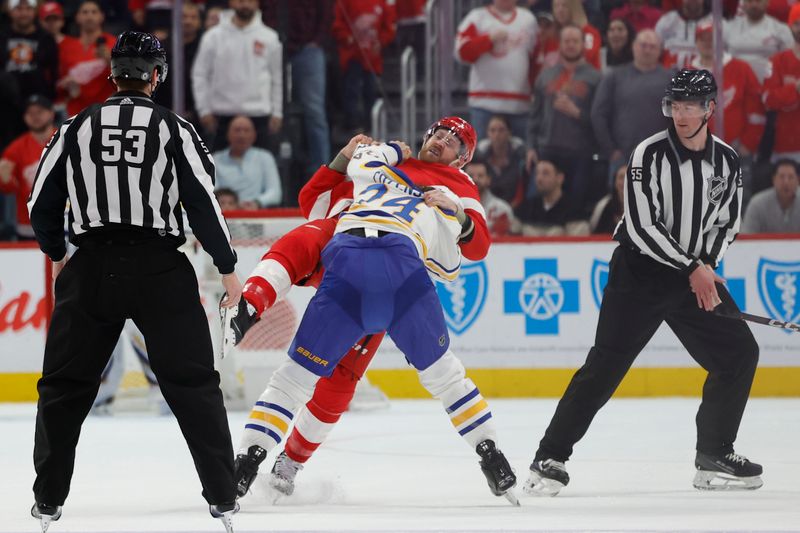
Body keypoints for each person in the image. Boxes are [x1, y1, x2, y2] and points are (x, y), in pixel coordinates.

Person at [228, 117, 520, 504]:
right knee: (305, 239)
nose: (441, 141)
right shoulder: (381, 163)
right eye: (438, 133)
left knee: (336, 384)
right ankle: (250, 303)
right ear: (424, 134)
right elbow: (311, 204)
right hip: (348, 252)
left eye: (454, 141)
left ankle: (286, 462)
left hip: (365, 270)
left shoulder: (458, 186)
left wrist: (460, 215)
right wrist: (344, 156)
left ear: (463, 159)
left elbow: (478, 245)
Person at [26, 31, 242, 532]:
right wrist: (228, 268)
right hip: (160, 268)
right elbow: (204, 206)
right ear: (157, 76)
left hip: (92, 265)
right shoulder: (177, 129)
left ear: (112, 73)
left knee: (64, 387)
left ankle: (48, 501)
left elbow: (41, 204)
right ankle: (222, 498)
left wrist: (58, 255)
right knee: (193, 385)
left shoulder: (75, 126)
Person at [525, 69, 761, 498]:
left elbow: (728, 222)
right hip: (640, 274)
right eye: (675, 106)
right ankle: (549, 456)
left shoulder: (727, 160)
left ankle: (714, 452)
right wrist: (693, 266)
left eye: (691, 106)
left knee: (739, 353)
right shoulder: (647, 153)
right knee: (605, 367)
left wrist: (705, 263)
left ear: (711, 108)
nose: (682, 115)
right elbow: (641, 224)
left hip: (694, 276)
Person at [529, 24, 602, 214]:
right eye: (566, 41)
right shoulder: (545, 76)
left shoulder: (596, 78)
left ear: (582, 45)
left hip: (580, 151)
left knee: (576, 203)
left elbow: (600, 120)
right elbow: (534, 115)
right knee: (541, 201)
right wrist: (530, 146)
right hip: (548, 148)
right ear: (560, 44)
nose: (571, 45)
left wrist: (577, 113)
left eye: (575, 41)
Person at [192, 0, 283, 152]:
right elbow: (200, 74)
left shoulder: (270, 37)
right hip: (220, 116)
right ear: (231, 2)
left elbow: (277, 77)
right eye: (240, 0)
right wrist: (204, 110)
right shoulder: (213, 36)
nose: (245, 5)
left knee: (261, 168)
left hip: (259, 115)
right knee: (215, 170)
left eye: (250, 1)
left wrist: (277, 112)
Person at [261, 0, 333, 178]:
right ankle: (271, 162)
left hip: (307, 47)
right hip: (273, 43)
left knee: (314, 110)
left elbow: (326, 11)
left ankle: (322, 168)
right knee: (268, 102)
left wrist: (317, 40)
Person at [591, 29, 673, 182]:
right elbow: (598, 114)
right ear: (633, 46)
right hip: (622, 159)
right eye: (643, 45)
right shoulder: (614, 76)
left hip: (661, 158)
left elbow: (680, 118)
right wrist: (611, 151)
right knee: (621, 204)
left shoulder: (671, 79)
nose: (647, 50)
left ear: (660, 51)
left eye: (652, 46)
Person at [455, 0, 538, 141]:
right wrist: (488, 39)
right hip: (484, 104)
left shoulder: (528, 20)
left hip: (520, 104)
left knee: (522, 156)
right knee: (481, 157)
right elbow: (462, 53)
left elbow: (536, 59)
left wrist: (535, 90)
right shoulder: (477, 17)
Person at [331, 0, 396, 133]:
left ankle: (370, 124)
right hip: (352, 56)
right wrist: (346, 37)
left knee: (370, 90)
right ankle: (352, 123)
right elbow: (337, 24)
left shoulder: (382, 3)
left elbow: (389, 27)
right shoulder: (344, 2)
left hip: (372, 59)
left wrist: (381, 41)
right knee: (351, 89)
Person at [0, 95, 56, 241]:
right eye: (30, 113)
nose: (35, 116)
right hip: (28, 226)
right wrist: (5, 178)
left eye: (40, 112)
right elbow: (8, 188)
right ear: (24, 117)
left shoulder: (65, 140)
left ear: (51, 113)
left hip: (63, 222)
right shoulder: (15, 149)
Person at [0, 0, 59, 136]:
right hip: (5, 107)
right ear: (10, 11)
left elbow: (53, 73)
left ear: (35, 11)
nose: (23, 13)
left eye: (28, 9)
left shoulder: (46, 39)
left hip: (37, 105)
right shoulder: (2, 36)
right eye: (19, 9)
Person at [57, 0, 116, 118]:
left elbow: (125, 78)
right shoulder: (66, 46)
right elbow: (59, 81)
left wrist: (110, 60)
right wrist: (66, 85)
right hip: (74, 113)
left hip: (105, 112)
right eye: (85, 12)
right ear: (77, 17)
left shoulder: (114, 43)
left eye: (94, 12)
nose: (89, 16)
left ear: (101, 16)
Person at [213, 115, 282, 208]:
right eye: (237, 130)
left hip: (257, 213)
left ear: (254, 135)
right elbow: (212, 191)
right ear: (228, 134)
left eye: (246, 130)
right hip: (225, 212)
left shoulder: (265, 157)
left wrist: (257, 203)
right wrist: (231, 204)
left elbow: (275, 193)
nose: (242, 135)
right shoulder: (215, 159)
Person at [153, 1, 204, 125]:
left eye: (193, 17)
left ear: (199, 22)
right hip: (163, 112)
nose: (188, 21)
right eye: (184, 17)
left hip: (198, 115)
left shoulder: (205, 47)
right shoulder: (160, 48)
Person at [763, 5, 800, 164]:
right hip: (785, 147)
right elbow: (768, 99)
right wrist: (795, 89)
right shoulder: (777, 61)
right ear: (789, 26)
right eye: (797, 23)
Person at [724, 0, 794, 84]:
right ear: (743, 3)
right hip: (736, 84)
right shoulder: (728, 28)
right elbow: (719, 58)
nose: (754, 5)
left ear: (767, 3)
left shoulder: (781, 29)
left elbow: (790, 59)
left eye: (758, 1)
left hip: (769, 84)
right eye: (750, 1)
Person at [514, 159, 588, 236]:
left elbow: (579, 245)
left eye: (545, 173)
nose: (539, 179)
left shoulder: (574, 210)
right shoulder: (526, 207)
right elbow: (510, 241)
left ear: (560, 178)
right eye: (537, 173)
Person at [475, 115, 530, 207]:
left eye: (501, 130)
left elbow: (523, 189)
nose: (497, 135)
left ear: (509, 132)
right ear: (487, 133)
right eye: (492, 130)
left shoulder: (520, 157)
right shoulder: (480, 158)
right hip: (486, 208)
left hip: (516, 207)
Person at [741, 159, 800, 233]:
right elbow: (747, 237)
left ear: (798, 180)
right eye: (781, 177)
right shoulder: (757, 204)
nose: (786, 182)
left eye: (791, 177)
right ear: (774, 179)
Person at [468, 159, 520, 237]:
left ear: (488, 179)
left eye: (480, 176)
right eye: (470, 176)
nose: (475, 179)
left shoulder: (502, 208)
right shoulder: (456, 206)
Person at [654, 0, 710, 67]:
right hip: (668, 74)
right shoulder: (666, 21)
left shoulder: (717, 23)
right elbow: (653, 51)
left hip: (704, 74)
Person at [589, 163, 626, 234]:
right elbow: (594, 230)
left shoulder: (642, 205)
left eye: (628, 177)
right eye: (621, 177)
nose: (625, 181)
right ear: (615, 182)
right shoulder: (603, 205)